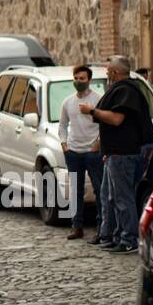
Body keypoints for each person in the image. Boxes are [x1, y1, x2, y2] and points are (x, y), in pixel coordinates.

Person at [80, 55, 151, 253]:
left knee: (123, 198)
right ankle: (118, 236)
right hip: (114, 153)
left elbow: (117, 119)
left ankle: (129, 239)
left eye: (109, 70)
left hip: (124, 154)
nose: (107, 73)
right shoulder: (120, 89)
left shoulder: (127, 90)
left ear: (116, 72)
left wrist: (92, 111)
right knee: (111, 197)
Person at [58, 63, 104, 241]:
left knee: (99, 189)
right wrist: (64, 144)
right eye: (76, 78)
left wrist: (97, 145)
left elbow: (104, 125)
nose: (78, 81)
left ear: (89, 80)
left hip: (92, 152)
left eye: (82, 78)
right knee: (75, 190)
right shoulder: (68, 102)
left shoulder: (97, 100)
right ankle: (77, 226)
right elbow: (62, 125)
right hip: (73, 152)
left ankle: (102, 228)